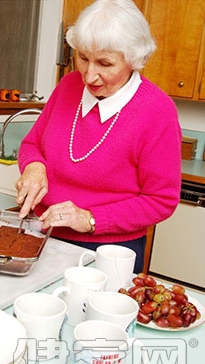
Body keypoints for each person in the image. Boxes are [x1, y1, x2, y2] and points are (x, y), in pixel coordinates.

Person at [15, 0, 182, 274]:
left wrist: (89, 219)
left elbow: (160, 200)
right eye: (82, 57)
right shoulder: (68, 85)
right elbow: (32, 144)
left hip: (109, 252)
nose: (89, 75)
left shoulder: (157, 111)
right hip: (44, 236)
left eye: (105, 63)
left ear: (134, 59)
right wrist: (34, 168)